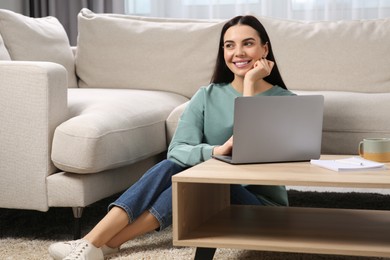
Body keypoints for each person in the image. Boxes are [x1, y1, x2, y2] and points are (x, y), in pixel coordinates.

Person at [48, 15, 295, 260]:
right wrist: (215, 152)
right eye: (229, 45)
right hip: (210, 200)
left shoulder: (286, 102)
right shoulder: (206, 96)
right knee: (174, 167)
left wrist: (251, 82)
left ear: (265, 49)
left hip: (260, 208)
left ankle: (104, 242)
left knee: (203, 180)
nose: (238, 52)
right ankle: (93, 243)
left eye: (248, 43)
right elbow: (176, 150)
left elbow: (249, 147)